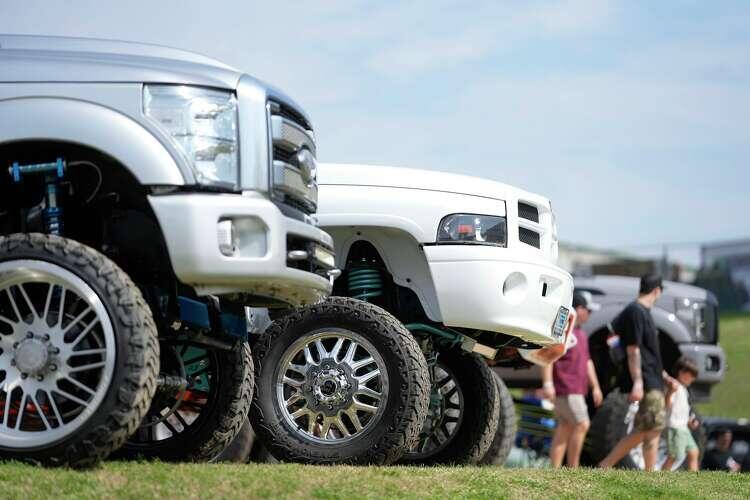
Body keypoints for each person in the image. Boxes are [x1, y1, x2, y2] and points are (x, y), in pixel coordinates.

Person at [599, 274, 678, 471]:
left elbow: (648, 352)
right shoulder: (636, 312)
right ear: (656, 291)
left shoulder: (642, 312)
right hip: (646, 380)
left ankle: (649, 474)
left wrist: (664, 376)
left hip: (653, 377)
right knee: (648, 427)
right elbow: (632, 349)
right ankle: (606, 464)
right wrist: (638, 382)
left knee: (652, 428)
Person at [543, 291, 603, 468]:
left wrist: (595, 386)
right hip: (567, 388)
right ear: (578, 309)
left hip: (576, 389)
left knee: (566, 426)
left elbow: (587, 361)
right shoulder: (562, 330)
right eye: (588, 310)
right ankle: (573, 467)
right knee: (582, 424)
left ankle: (554, 468)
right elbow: (548, 356)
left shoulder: (581, 334)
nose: (590, 314)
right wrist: (547, 383)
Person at [662, 357, 701, 471]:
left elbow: (682, 410)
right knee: (674, 456)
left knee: (694, 452)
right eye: (691, 375)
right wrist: (670, 392)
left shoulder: (684, 389)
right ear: (681, 372)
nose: (693, 379)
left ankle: (695, 478)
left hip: (684, 427)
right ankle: (661, 476)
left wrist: (689, 421)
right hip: (675, 427)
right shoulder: (674, 387)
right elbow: (667, 405)